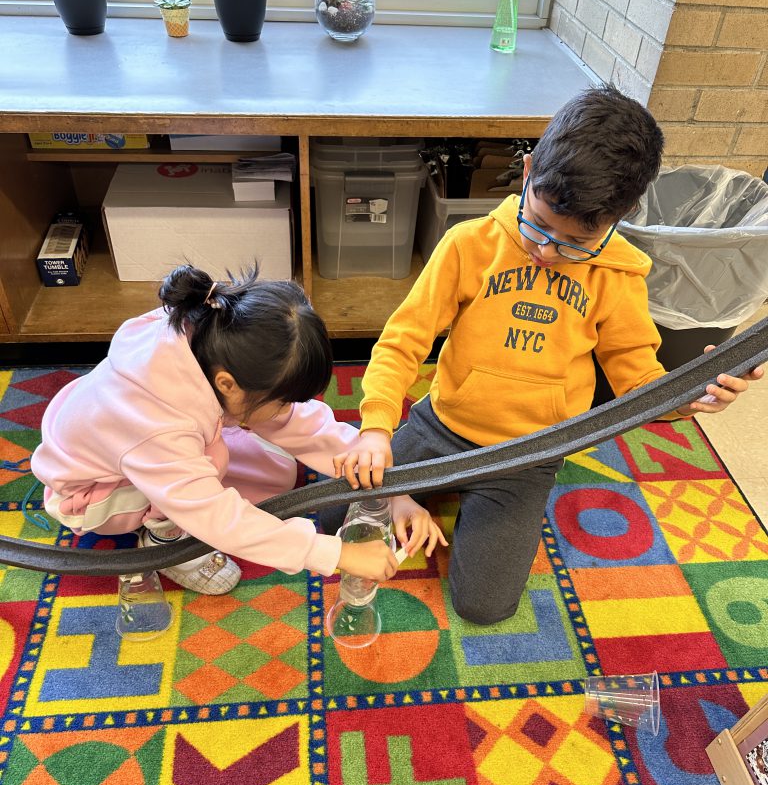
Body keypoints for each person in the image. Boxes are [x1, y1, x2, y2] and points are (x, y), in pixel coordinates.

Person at [326, 84, 764, 625]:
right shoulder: (469, 242)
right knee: (325, 513)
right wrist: (374, 426)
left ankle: (441, 497)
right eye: (538, 225)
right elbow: (403, 341)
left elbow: (639, 385)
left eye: (575, 242)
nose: (546, 252)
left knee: (483, 607)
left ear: (622, 213)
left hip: (529, 454)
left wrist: (690, 401)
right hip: (442, 426)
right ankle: (417, 491)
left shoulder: (619, 276)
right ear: (529, 170)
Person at [31, 264, 445, 598]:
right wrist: (336, 553)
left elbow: (298, 423)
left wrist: (393, 493)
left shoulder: (209, 332)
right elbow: (218, 518)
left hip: (125, 436)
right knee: (218, 486)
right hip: (93, 492)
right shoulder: (157, 430)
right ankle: (167, 540)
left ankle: (181, 498)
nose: (287, 410)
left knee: (276, 475)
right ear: (227, 383)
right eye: (281, 399)